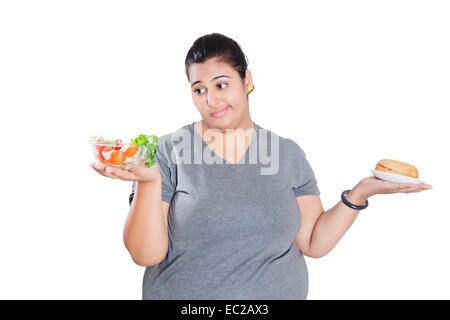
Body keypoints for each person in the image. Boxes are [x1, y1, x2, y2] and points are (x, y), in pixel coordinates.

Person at [90, 33, 433, 300]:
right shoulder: (166, 152)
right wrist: (149, 184)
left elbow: (313, 242)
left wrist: (361, 192)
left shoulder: (286, 154)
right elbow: (144, 254)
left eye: (221, 84)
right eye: (199, 89)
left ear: (246, 79)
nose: (211, 100)